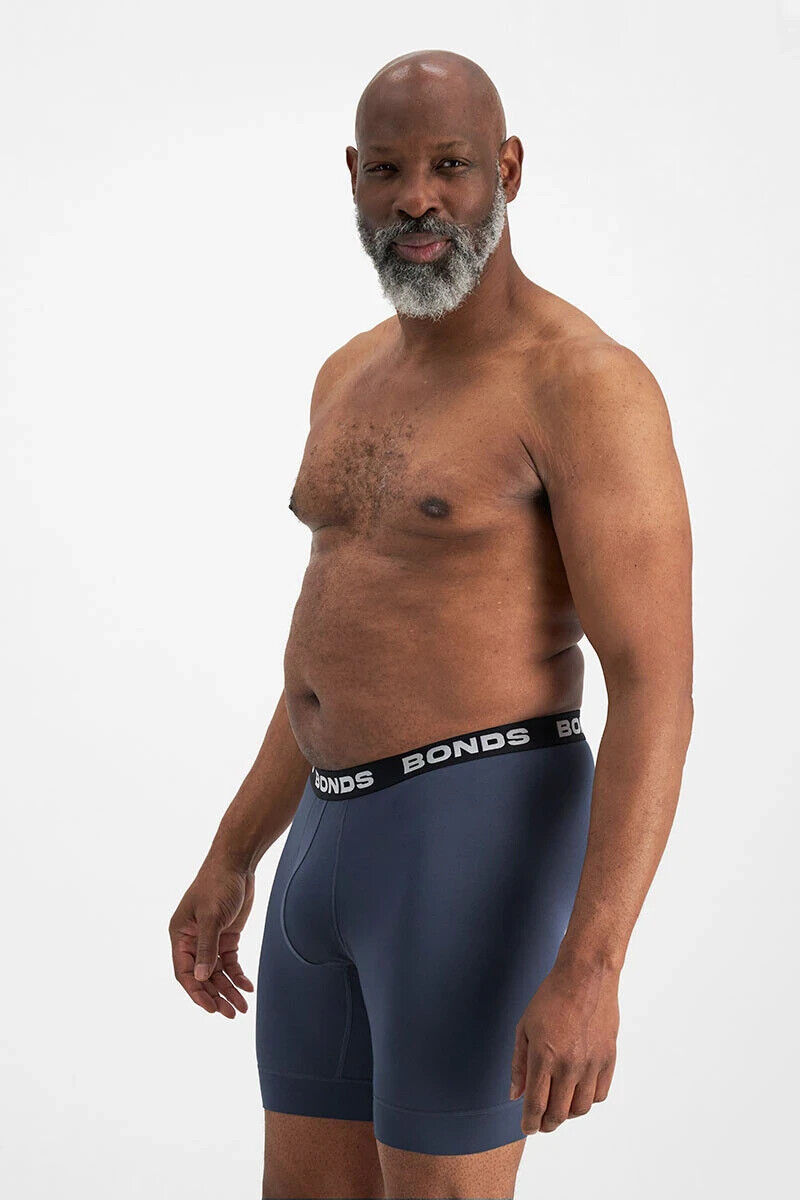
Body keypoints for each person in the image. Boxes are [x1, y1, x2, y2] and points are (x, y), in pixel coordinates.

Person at [169, 48, 693, 1200]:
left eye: (448, 166)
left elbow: (653, 683)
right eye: (389, 170)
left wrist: (592, 965)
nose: (417, 198)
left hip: (476, 841)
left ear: (505, 169)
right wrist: (232, 851)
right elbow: (342, 648)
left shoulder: (581, 383)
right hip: (321, 842)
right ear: (352, 177)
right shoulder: (345, 377)